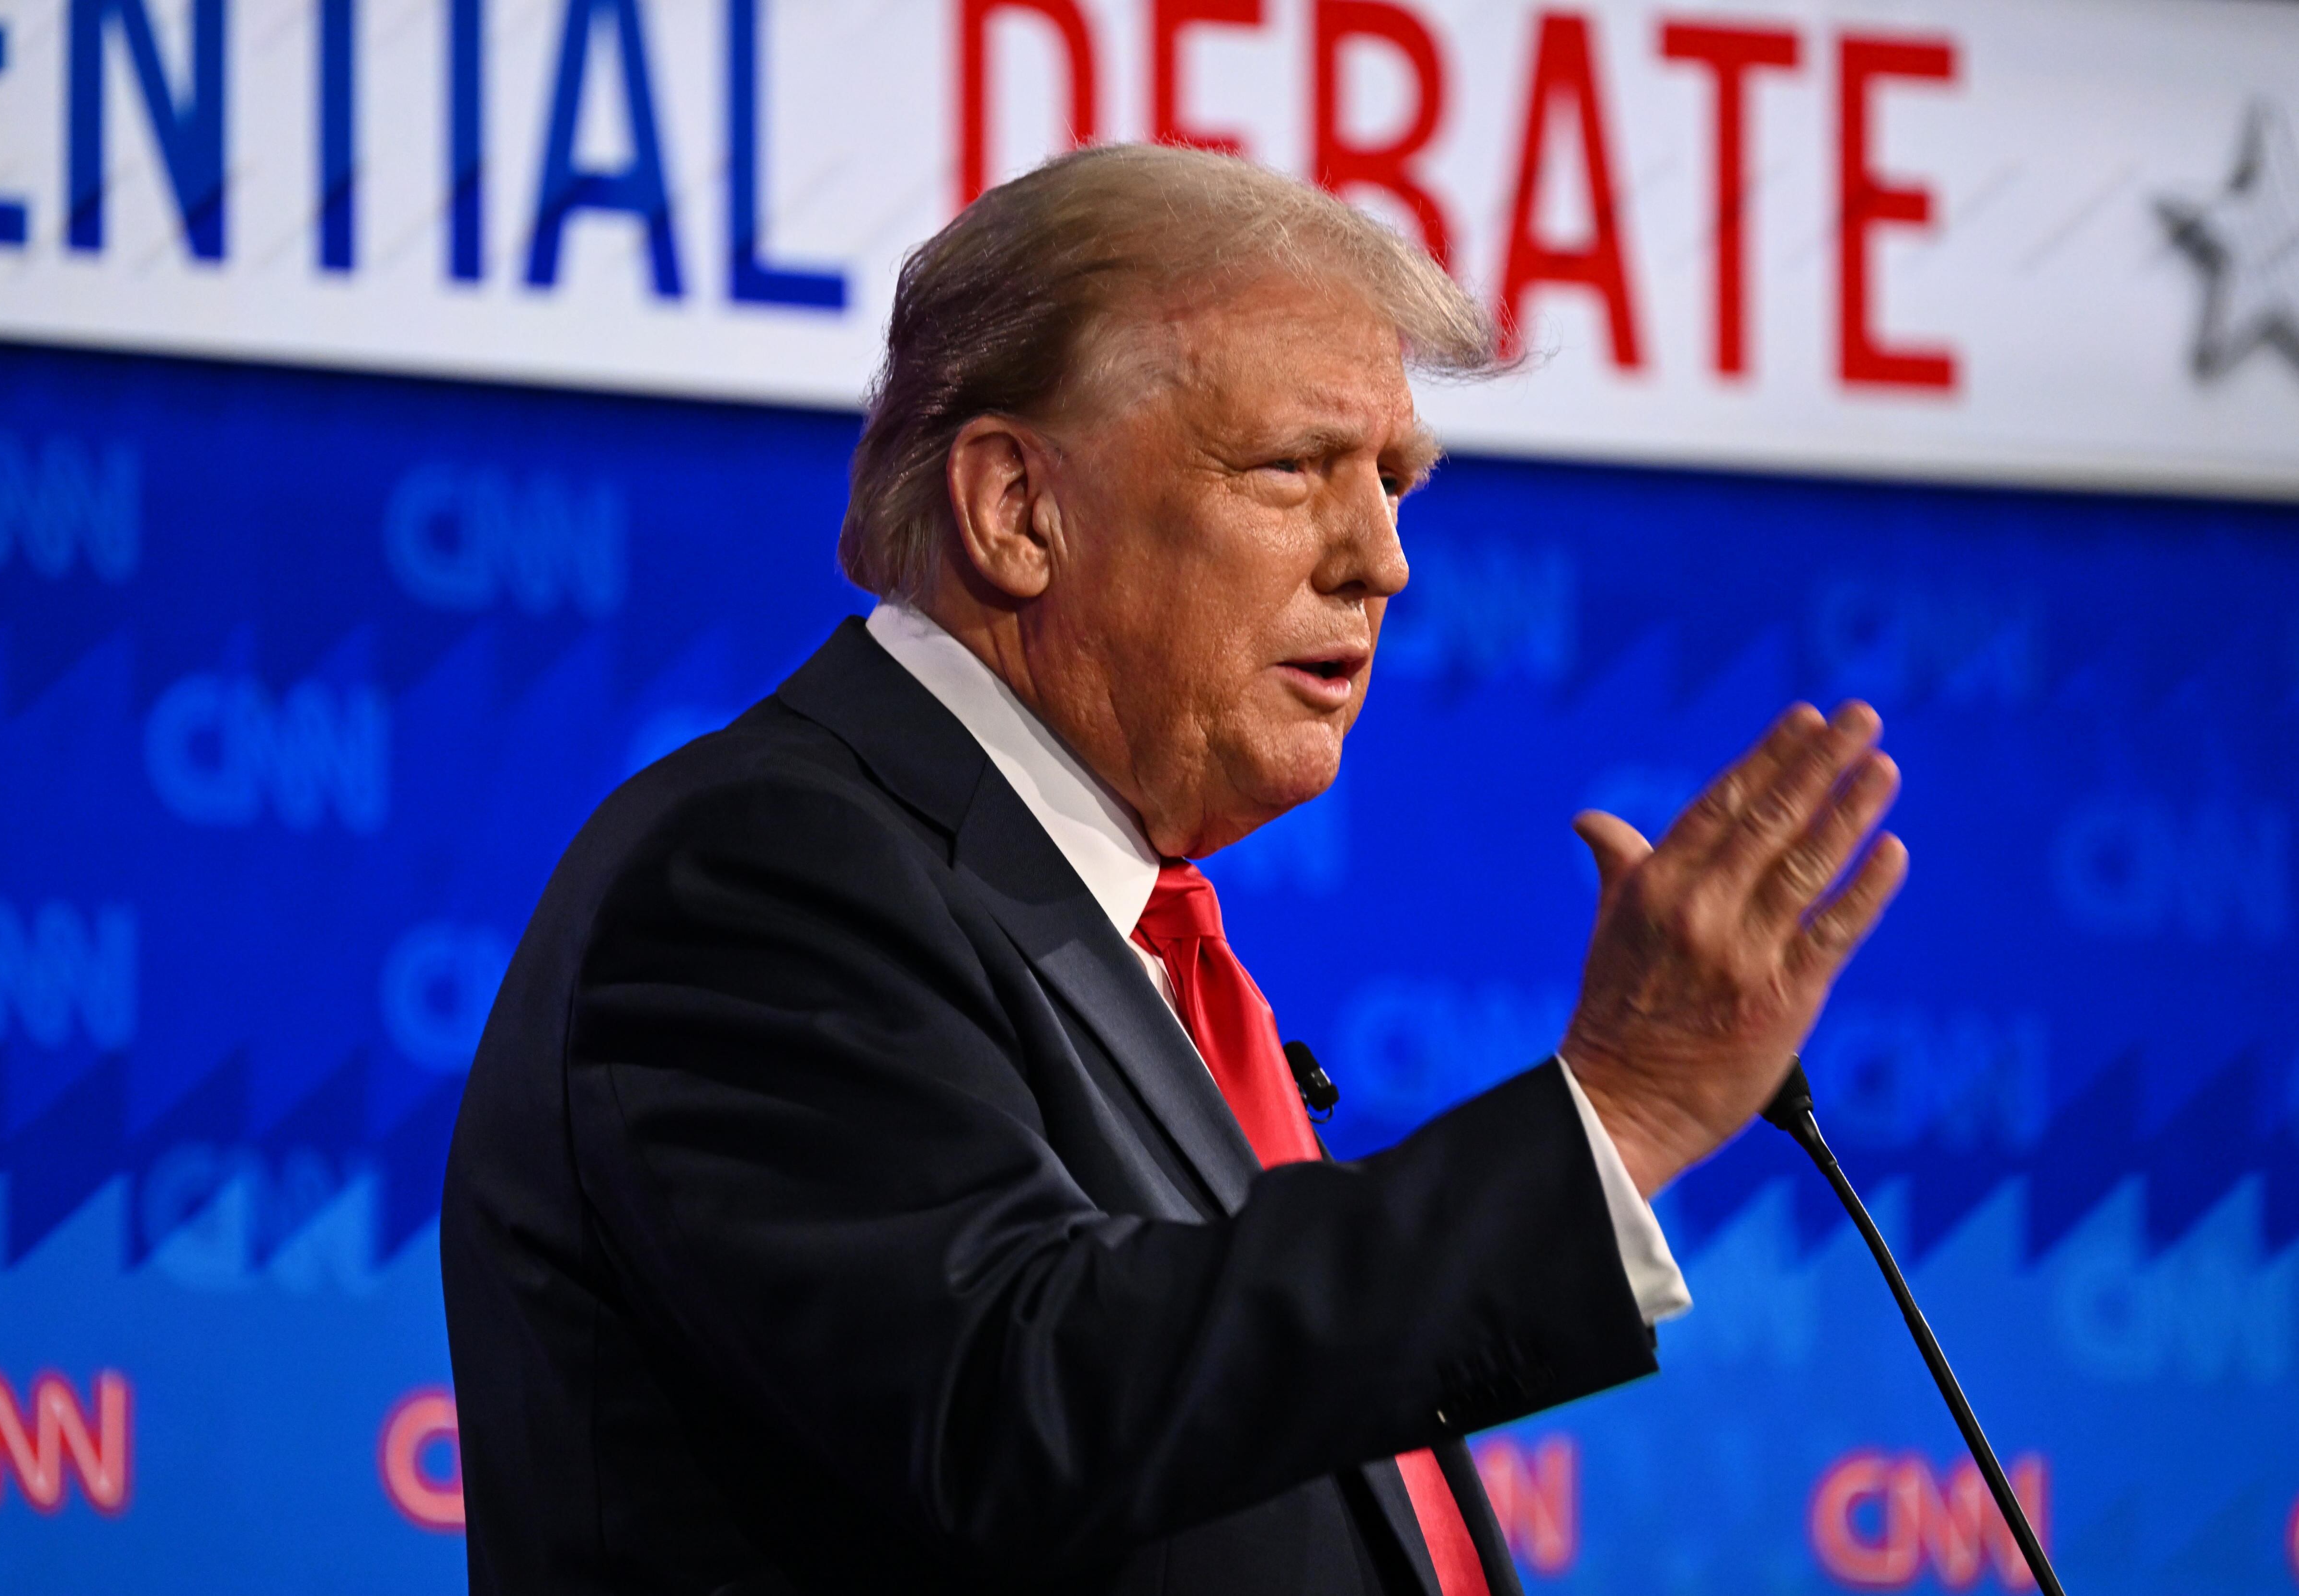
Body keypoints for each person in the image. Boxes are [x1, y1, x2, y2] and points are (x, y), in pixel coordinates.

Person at [440, 143, 1906, 1596]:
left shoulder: (1111, 928)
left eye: (1394, 481)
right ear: (1017, 508)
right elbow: (1013, 1403)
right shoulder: (760, 873)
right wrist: (1621, 1115)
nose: (1381, 559)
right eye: (1292, 469)